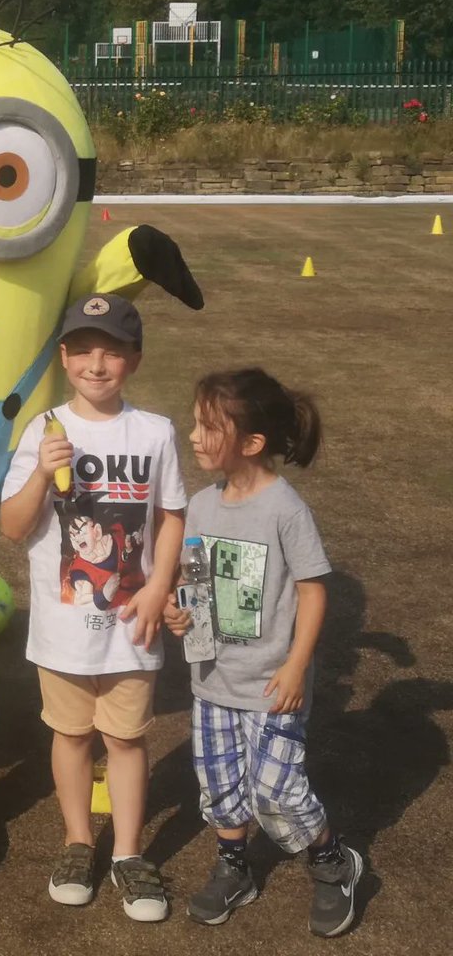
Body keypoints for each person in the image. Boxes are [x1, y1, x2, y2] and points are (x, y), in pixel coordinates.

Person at [1, 293, 186, 921]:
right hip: (63, 628)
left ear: (133, 359)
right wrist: (38, 475)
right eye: (83, 350)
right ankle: (79, 841)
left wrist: (160, 585)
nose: (96, 364)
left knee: (127, 739)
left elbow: (171, 515)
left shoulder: (155, 431)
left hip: (132, 626)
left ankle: (129, 855)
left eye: (111, 351)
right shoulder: (45, 429)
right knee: (72, 734)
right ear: (64, 356)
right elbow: (11, 526)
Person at [163, 368, 362, 938]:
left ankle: (332, 862)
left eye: (208, 427)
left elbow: (312, 588)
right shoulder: (201, 505)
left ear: (251, 443)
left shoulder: (285, 509)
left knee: (277, 790)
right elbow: (193, 579)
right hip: (211, 683)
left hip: (272, 684)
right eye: (196, 424)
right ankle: (235, 867)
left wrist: (297, 664)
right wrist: (182, 612)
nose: (195, 437)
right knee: (220, 785)